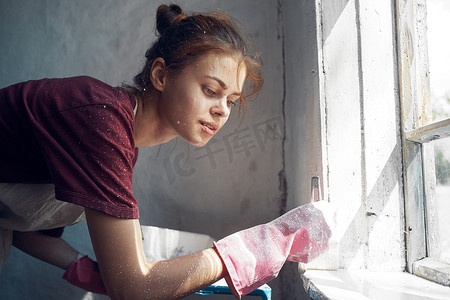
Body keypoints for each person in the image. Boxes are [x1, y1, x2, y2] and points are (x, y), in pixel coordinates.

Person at [0, 4, 335, 299]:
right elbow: (133, 289)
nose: (222, 110)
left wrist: (81, 267)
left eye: (230, 101)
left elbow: (19, 226)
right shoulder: (100, 121)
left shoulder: (121, 145)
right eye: (210, 90)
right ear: (161, 75)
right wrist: (256, 246)